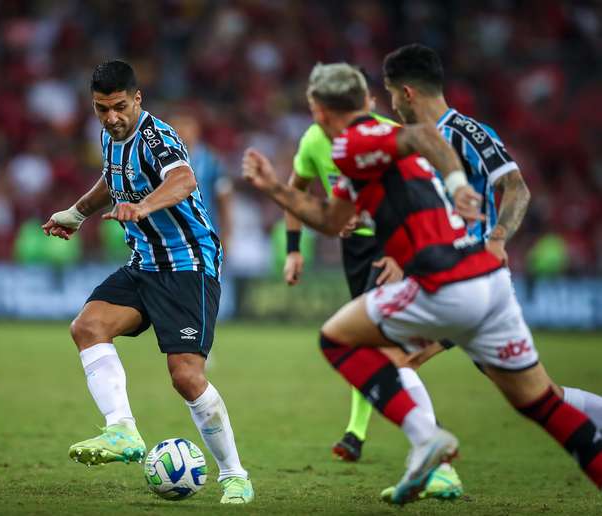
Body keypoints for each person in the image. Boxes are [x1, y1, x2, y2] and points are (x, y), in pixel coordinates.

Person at [243, 62, 602, 504]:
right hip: (489, 283)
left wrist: (456, 181)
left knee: (338, 339)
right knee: (542, 403)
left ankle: (425, 437)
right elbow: (332, 219)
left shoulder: (360, 138)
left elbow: (423, 135)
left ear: (318, 111)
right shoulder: (358, 151)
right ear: (368, 100)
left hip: (444, 283)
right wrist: (274, 188)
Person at [42, 61, 253, 505]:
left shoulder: (158, 137)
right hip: (145, 264)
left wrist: (143, 208)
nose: (112, 118)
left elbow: (183, 179)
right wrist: (77, 213)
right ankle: (122, 430)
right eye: (102, 109)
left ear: (137, 99)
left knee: (186, 377)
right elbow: (112, 181)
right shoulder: (108, 137)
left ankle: (235, 475)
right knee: (87, 327)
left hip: (188, 264)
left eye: (120, 107)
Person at [381, 42, 602, 431]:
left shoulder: (467, 133)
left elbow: (517, 188)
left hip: (470, 278)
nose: (392, 104)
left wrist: (497, 237)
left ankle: (435, 459)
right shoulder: (411, 142)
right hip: (450, 280)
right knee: (539, 396)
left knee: (393, 358)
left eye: (391, 93)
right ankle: (434, 458)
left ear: (407, 92)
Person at [284, 82, 462, 500]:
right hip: (357, 251)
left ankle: (401, 446)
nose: (323, 120)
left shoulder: (389, 135)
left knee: (376, 347)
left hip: (395, 245)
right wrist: (295, 250)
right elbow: (297, 193)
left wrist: (403, 253)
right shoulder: (314, 141)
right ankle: (412, 443)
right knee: (377, 347)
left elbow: (424, 195)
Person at [168, 112, 233, 250]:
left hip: (204, 234)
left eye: (186, 125)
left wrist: (226, 234)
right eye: (176, 125)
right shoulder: (158, 160)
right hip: (171, 236)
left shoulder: (211, 160)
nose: (181, 130)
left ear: (196, 130)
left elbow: (224, 198)